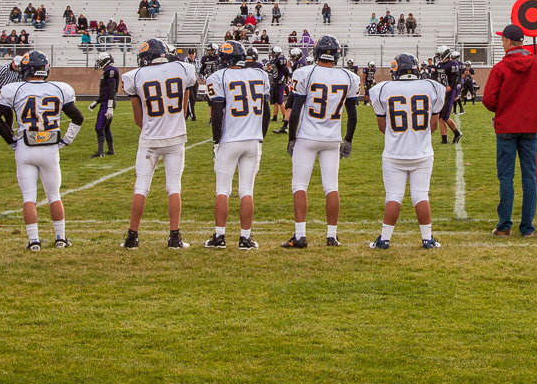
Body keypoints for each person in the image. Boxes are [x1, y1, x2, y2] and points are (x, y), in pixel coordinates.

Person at [0, 49, 83, 250]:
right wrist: (66, 140)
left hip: (25, 148)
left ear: (25, 69)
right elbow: (78, 118)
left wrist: (11, 140)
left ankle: (34, 241)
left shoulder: (14, 89)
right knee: (54, 195)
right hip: (50, 148)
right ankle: (60, 238)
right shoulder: (60, 88)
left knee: (28, 198)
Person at [281, 34, 360, 248]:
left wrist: (291, 137)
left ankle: (300, 235)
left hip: (307, 136)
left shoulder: (305, 72)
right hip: (332, 138)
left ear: (316, 53)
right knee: (331, 186)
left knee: (299, 185)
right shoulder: (348, 76)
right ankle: (332, 236)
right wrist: (348, 139)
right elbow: (353, 114)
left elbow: (295, 110)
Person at [119, 39, 199, 249]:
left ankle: (132, 237)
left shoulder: (134, 76)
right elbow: (184, 110)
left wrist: (153, 129)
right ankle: (175, 237)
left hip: (149, 139)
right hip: (175, 138)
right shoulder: (183, 69)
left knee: (141, 187)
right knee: (174, 187)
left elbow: (138, 119)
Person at [482, 23, 537, 237]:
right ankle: (527, 228)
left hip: (506, 127)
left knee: (506, 177)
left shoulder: (500, 68)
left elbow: (488, 100)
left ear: (508, 42)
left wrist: (505, 106)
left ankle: (505, 226)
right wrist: (532, 101)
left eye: (502, 40)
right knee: (530, 176)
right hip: (531, 127)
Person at [366, 52, 448, 249]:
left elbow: (382, 126)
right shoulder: (433, 87)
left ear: (396, 71)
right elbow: (434, 125)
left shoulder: (381, 89)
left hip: (395, 154)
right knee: (421, 195)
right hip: (422, 152)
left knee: (393, 196)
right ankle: (427, 239)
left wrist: (396, 138)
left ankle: (384, 240)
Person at [202, 41, 270, 249]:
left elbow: (217, 111)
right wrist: (261, 136)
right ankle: (245, 238)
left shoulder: (218, 77)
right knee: (246, 190)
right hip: (252, 140)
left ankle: (220, 237)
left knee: (222, 190)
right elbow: (266, 111)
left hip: (229, 140)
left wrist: (216, 141)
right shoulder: (260, 75)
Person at [89, 51, 120, 158]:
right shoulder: (107, 71)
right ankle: (111, 151)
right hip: (106, 102)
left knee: (99, 127)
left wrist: (110, 107)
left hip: (108, 103)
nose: (99, 63)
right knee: (106, 127)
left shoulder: (110, 71)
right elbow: (105, 91)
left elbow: (111, 90)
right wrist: (96, 102)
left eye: (101, 61)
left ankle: (100, 152)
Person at [432, 46, 464, 144]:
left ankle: (457, 133)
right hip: (442, 91)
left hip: (449, 92)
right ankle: (444, 140)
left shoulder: (453, 65)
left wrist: (444, 91)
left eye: (440, 55)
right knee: (441, 116)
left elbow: (453, 84)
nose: (438, 57)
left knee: (445, 117)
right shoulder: (440, 65)